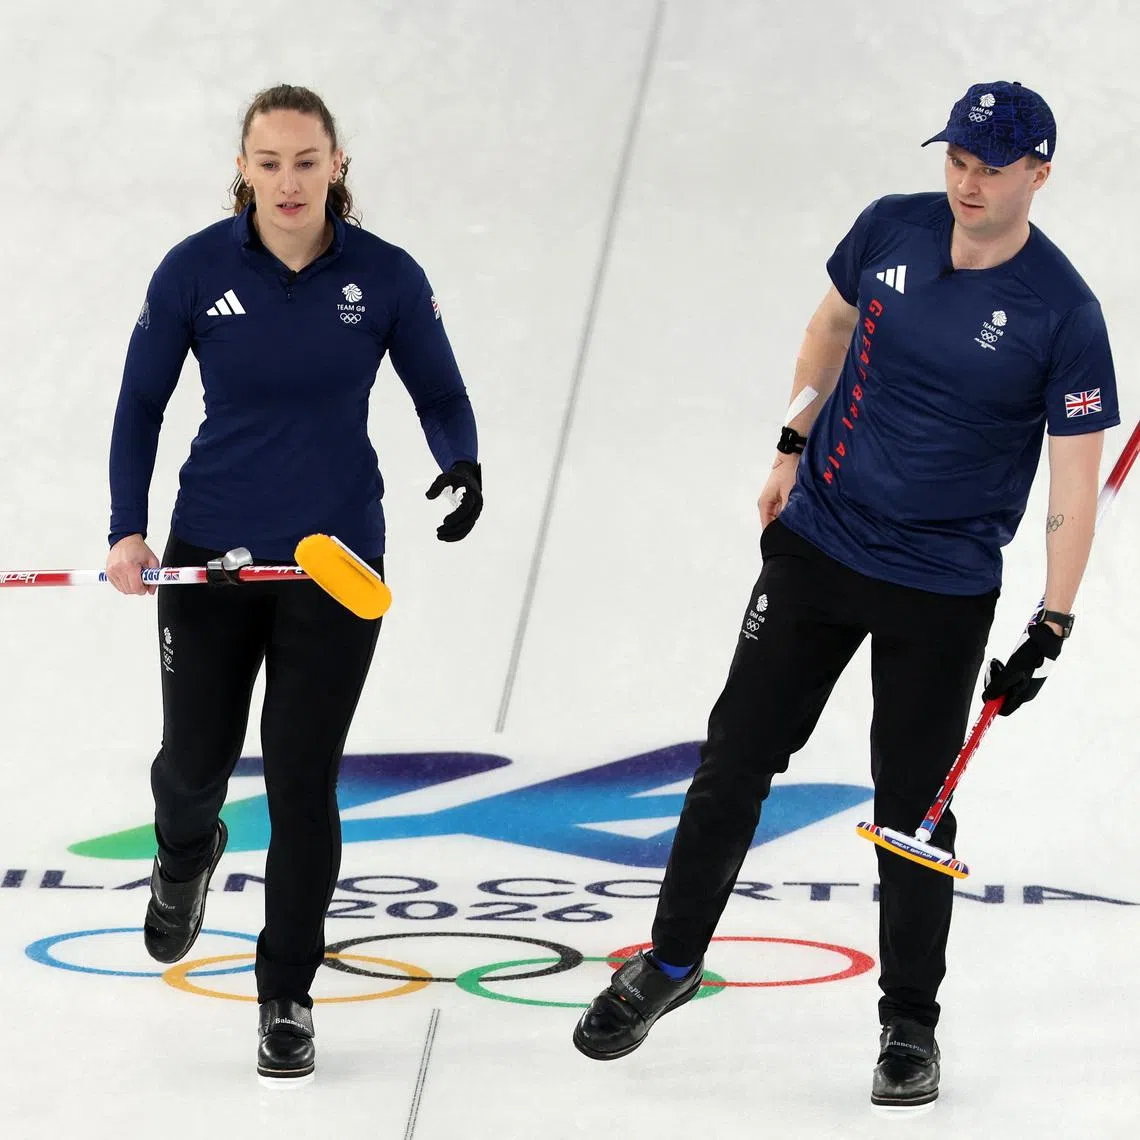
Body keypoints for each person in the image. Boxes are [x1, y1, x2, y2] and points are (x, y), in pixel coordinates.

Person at [573, 81, 1119, 1109]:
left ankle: (909, 1025)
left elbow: (1074, 483)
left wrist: (1053, 616)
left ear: (1038, 175)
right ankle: (672, 963)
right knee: (734, 758)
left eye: (990, 167)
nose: (965, 181)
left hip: (942, 584)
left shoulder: (1064, 314)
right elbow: (828, 328)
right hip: (819, 542)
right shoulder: (890, 228)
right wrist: (790, 439)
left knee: (915, 812)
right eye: (956, 158)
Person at [105, 84, 482, 1082]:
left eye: (306, 161)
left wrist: (462, 457)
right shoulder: (194, 271)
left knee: (304, 777)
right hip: (211, 556)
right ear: (243, 167)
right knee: (194, 762)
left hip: (333, 563)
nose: (287, 181)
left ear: (337, 165)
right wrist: (126, 530)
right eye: (268, 163)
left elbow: (437, 388)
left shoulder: (385, 277)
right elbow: (141, 403)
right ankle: (185, 851)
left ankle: (286, 996)